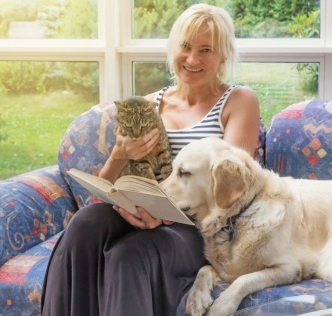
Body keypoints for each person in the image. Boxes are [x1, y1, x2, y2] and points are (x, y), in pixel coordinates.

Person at [41, 3, 260, 316]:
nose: (192, 58)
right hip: (146, 211)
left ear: (223, 54)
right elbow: (102, 190)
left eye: (206, 49)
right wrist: (120, 154)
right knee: (84, 223)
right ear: (173, 49)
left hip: (196, 231)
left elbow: (231, 192)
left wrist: (166, 217)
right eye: (185, 47)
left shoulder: (239, 101)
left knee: (129, 254)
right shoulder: (147, 105)